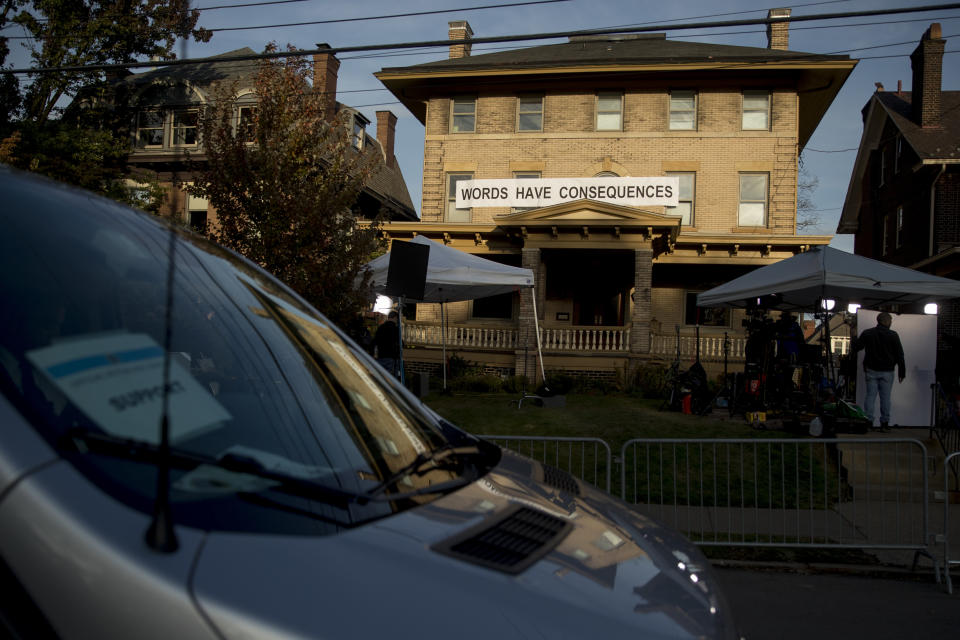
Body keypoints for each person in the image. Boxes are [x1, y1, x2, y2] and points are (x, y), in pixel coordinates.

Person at [852, 312, 906, 429]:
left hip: (871, 370)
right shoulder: (893, 335)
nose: (891, 322)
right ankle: (884, 423)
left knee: (870, 396)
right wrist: (902, 372)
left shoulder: (868, 333)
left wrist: (854, 336)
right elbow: (899, 355)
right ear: (886, 321)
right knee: (885, 398)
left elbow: (857, 347)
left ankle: (868, 421)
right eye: (890, 320)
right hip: (887, 371)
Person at [373, 310, 402, 378]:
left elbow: (375, 341)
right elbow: (399, 342)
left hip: (381, 356)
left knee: (381, 376)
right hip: (391, 356)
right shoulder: (396, 329)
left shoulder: (381, 328)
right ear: (395, 318)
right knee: (390, 378)